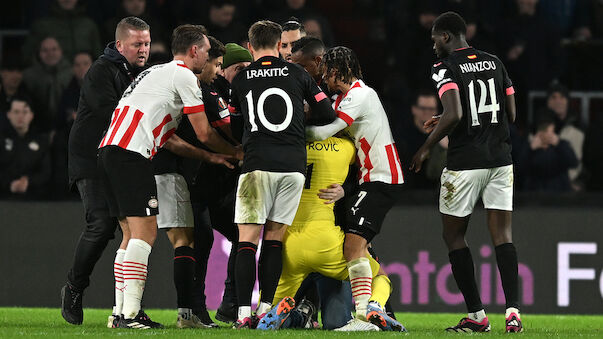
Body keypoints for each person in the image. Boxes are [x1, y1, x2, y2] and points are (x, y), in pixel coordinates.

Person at [97, 24, 241, 329]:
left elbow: (171, 138)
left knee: (128, 235)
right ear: (194, 51)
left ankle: (119, 312)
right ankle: (131, 315)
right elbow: (203, 131)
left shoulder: (154, 73)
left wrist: (209, 157)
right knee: (144, 234)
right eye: (206, 51)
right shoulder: (184, 75)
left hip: (110, 150)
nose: (208, 57)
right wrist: (236, 152)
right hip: (132, 153)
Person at [410, 12, 523, 333]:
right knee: (503, 235)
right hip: (501, 159)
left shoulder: (445, 67)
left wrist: (426, 146)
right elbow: (511, 113)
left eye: (434, 40)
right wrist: (449, 116)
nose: (433, 47)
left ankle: (477, 316)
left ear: (446, 36)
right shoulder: (495, 62)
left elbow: (456, 111)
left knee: (453, 235)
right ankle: (513, 312)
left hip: (465, 162)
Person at [228, 20, 335, 329]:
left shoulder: (242, 78)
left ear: (250, 47)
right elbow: (327, 112)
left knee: (247, 240)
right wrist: (302, 112)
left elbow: (236, 126)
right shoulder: (299, 74)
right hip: (293, 167)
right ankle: (265, 309)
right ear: (279, 45)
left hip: (257, 163)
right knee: (275, 239)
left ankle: (242, 316)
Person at [259, 135, 404, 332]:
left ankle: (295, 317)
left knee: (268, 312)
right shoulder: (345, 147)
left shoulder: (291, 143)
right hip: (327, 244)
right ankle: (373, 306)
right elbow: (368, 168)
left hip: (290, 243)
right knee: (379, 276)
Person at [305, 46, 404, 331]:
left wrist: (290, 133)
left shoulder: (361, 95)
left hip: (382, 177)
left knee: (354, 246)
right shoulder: (348, 97)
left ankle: (365, 313)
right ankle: (376, 308)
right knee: (362, 248)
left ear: (335, 72)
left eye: (325, 73)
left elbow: (325, 131)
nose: (323, 79)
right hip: (369, 180)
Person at [61, 16, 151, 326]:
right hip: (90, 157)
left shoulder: (136, 74)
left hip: (117, 158)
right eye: (137, 44)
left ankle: (126, 311)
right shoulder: (102, 70)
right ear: (121, 44)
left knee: (129, 230)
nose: (143, 49)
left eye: (147, 44)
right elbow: (114, 114)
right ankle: (74, 287)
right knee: (101, 225)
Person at [0, 97, 51, 199]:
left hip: (35, 199)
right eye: (16, 112)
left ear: (31, 115)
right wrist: (10, 184)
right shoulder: (1, 140)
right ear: (8, 115)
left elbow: (46, 172)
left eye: (25, 112)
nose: (20, 116)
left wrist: (28, 181)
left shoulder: (41, 141)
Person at [22, 0, 102, 63]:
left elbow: (99, 58)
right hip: (51, 80)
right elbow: (27, 57)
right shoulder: (41, 26)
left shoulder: (89, 25)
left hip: (85, 78)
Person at [22, 36, 73, 132]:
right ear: (39, 53)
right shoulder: (28, 76)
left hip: (67, 129)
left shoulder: (72, 73)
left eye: (54, 49)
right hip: (36, 127)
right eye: (45, 50)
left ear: (61, 51)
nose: (50, 54)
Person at [398, 90, 447, 190]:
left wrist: (443, 148)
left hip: (434, 193)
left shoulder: (443, 136)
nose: (427, 112)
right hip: (407, 194)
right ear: (414, 109)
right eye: (423, 108)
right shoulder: (402, 136)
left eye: (431, 109)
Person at [518, 112, 578, 192]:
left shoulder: (562, 145)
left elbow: (573, 163)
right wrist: (530, 149)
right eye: (544, 131)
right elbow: (520, 169)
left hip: (560, 192)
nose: (547, 135)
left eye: (550, 132)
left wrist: (559, 144)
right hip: (535, 194)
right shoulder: (529, 147)